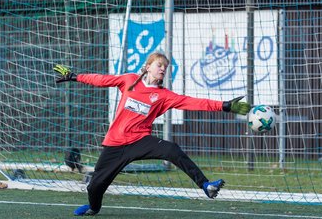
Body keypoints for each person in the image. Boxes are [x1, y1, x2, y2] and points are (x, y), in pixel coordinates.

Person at [53, 52, 251, 216]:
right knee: (95, 186)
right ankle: (94, 207)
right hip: (115, 143)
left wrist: (224, 106)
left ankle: (206, 185)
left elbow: (192, 101)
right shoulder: (129, 80)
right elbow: (103, 80)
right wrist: (75, 76)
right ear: (148, 67)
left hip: (140, 140)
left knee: (171, 149)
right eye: (159, 65)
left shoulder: (164, 96)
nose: (163, 69)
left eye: (165, 67)